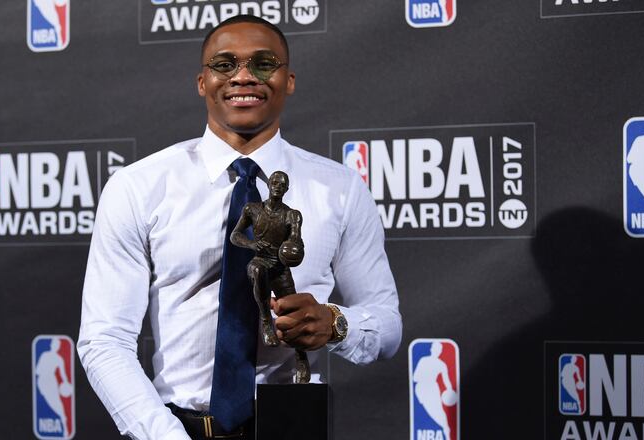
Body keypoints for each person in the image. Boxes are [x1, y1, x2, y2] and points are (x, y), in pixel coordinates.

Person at [78, 15, 402, 440]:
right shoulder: (139, 187)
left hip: (293, 425)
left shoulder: (338, 188)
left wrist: (335, 324)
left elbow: (388, 327)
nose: (244, 76)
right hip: (177, 429)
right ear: (202, 81)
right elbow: (105, 341)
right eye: (225, 64)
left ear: (288, 80)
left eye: (264, 63)